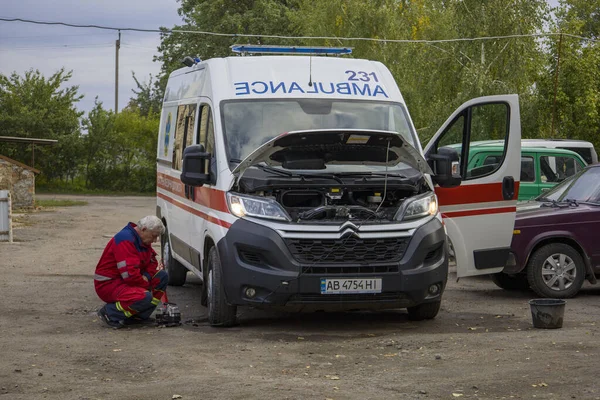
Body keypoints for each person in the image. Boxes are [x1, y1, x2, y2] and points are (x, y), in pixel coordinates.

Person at [94, 216, 168, 329]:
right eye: (154, 236)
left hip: (124, 281)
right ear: (143, 229)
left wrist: (147, 277)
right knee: (144, 296)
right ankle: (110, 313)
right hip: (108, 284)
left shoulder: (142, 240)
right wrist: (146, 286)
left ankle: (138, 316)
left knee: (162, 276)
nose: (155, 240)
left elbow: (152, 263)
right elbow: (130, 275)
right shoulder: (125, 240)